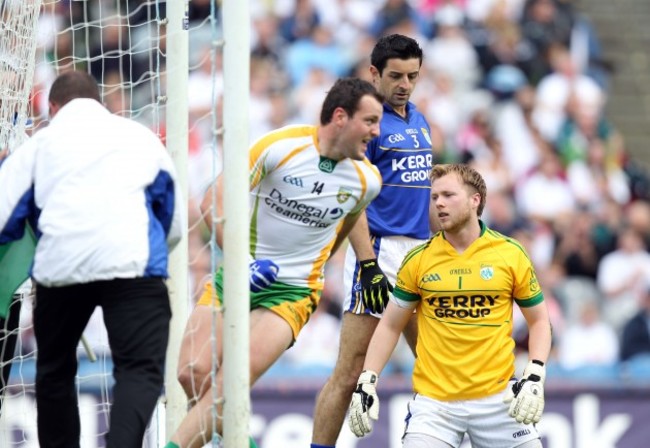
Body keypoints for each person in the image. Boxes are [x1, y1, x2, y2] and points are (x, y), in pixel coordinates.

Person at [166, 77, 384, 448]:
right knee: (192, 372)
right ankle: (241, 439)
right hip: (239, 271)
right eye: (370, 121)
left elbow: (342, 228)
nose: (376, 132)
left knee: (230, 381)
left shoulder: (367, 181)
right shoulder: (278, 147)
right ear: (340, 116)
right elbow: (211, 202)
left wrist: (357, 265)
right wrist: (243, 264)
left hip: (293, 291)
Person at [0, 71, 183, 447]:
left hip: (60, 266)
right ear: (100, 101)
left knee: (54, 371)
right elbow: (174, 218)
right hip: (133, 264)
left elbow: (3, 219)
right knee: (138, 370)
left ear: (53, 108)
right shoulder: (141, 138)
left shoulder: (39, 145)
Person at [348, 164, 552, 448]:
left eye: (448, 195)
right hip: (435, 406)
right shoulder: (418, 259)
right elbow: (391, 325)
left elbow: (540, 321)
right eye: (434, 198)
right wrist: (367, 381)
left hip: (499, 400)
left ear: (474, 200)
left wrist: (535, 373)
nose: (439, 204)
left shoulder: (510, 254)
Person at [311, 34, 432, 448]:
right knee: (350, 371)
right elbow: (353, 198)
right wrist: (366, 264)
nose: (404, 84)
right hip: (379, 252)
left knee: (436, 366)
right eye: (395, 75)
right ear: (374, 73)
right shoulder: (370, 125)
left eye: (412, 76)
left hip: (420, 254)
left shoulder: (419, 119)